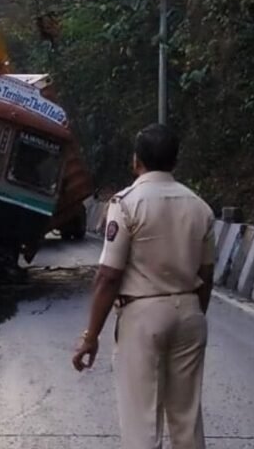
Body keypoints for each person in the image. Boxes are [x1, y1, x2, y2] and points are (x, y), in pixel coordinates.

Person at [72, 124, 215, 449]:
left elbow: (109, 276)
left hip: (142, 316)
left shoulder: (125, 204)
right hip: (190, 312)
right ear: (175, 161)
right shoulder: (200, 207)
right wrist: (193, 313)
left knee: (142, 421)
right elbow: (206, 274)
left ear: (136, 161)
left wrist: (90, 336)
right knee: (186, 417)